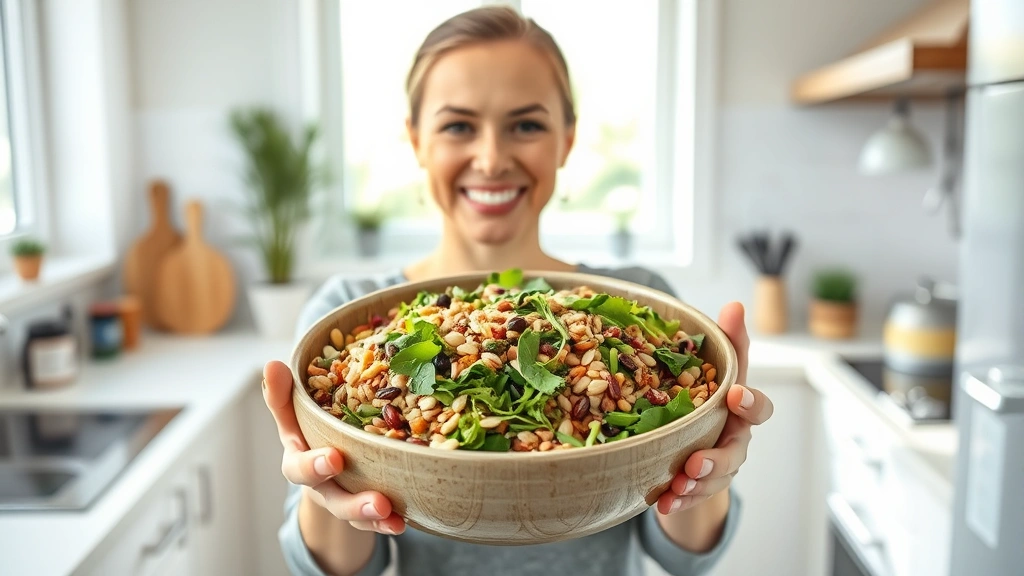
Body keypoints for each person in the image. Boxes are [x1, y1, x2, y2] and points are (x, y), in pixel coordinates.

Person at [261, 6, 774, 576]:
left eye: (526, 125)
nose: (491, 158)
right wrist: (323, 478)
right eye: (458, 125)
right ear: (415, 140)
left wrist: (705, 464)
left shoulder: (643, 302)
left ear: (567, 140)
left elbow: (686, 556)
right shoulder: (348, 309)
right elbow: (333, 568)